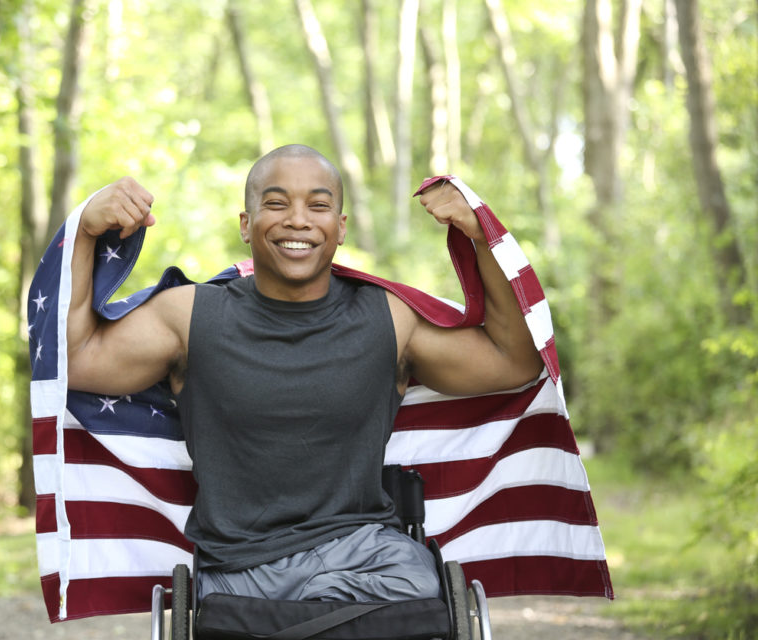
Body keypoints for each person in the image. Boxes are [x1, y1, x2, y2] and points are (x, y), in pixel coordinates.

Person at [65, 144, 543, 603]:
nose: (297, 219)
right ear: (246, 226)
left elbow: (513, 361)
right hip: (238, 570)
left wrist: (481, 235)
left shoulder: (389, 319)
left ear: (340, 227)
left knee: (421, 583)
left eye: (318, 205)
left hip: (368, 557)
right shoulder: (188, 317)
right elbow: (76, 359)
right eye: (276, 203)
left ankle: (307, 618)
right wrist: (85, 230)